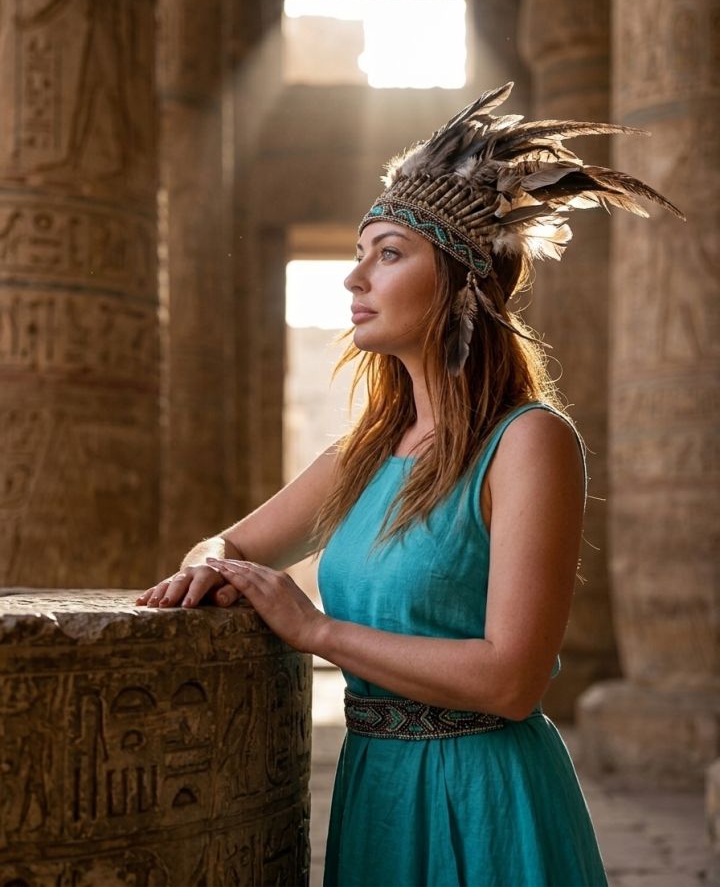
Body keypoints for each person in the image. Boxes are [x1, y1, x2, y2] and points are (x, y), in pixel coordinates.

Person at [137, 82, 683, 887]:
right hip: (376, 794)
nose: (356, 279)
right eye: (359, 255)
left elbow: (511, 679)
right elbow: (226, 543)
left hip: (485, 799)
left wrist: (316, 630)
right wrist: (210, 567)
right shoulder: (359, 457)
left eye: (389, 254)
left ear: (461, 278)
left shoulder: (528, 443)